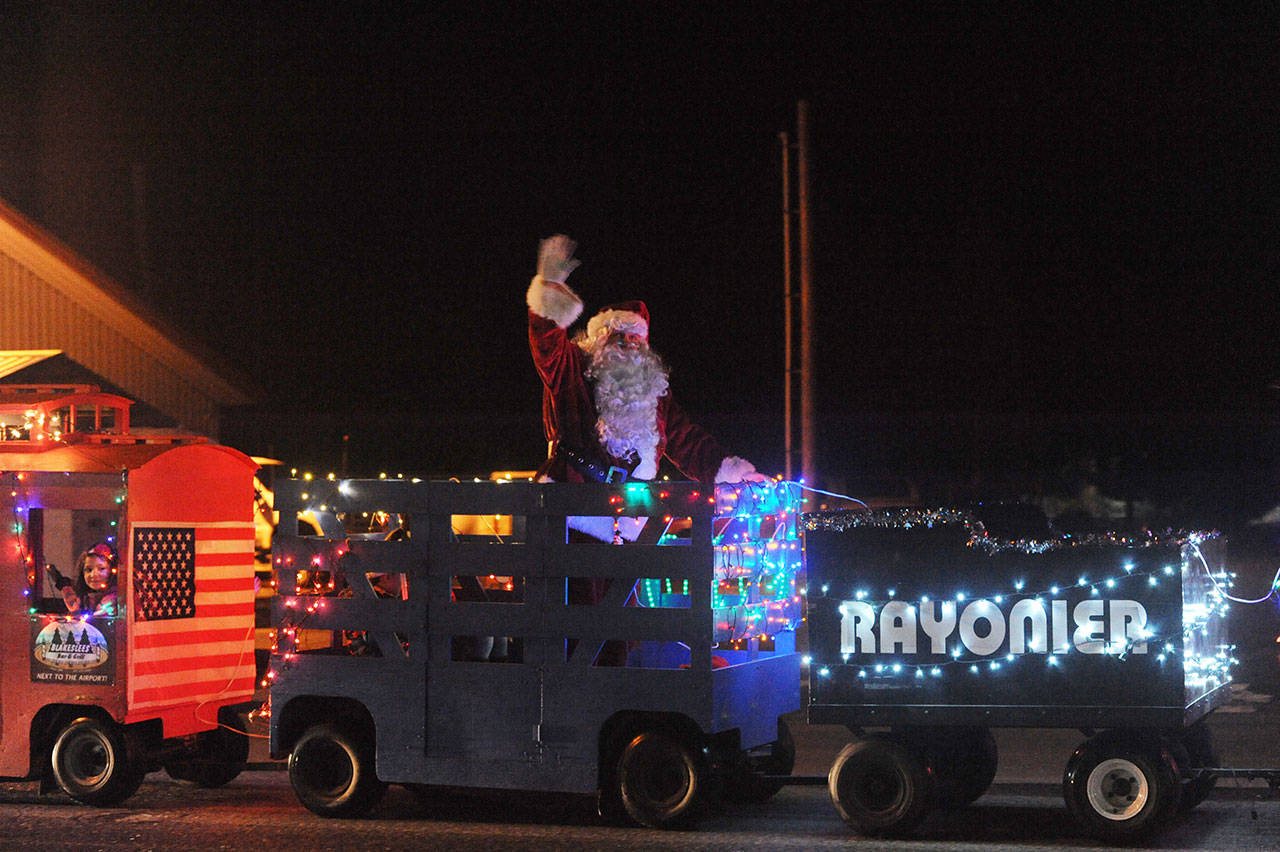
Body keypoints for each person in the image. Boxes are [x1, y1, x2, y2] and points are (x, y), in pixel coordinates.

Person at [526, 234, 765, 496]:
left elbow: (688, 442)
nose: (629, 344)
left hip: (628, 514)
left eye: (635, 338)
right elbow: (546, 345)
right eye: (619, 336)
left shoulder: (654, 395)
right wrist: (549, 290)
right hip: (569, 508)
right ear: (601, 340)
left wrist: (738, 475)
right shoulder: (572, 370)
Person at [61, 542, 119, 616]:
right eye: (89, 570)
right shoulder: (81, 600)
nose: (93, 575)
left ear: (112, 570)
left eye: (101, 569)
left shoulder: (115, 600)